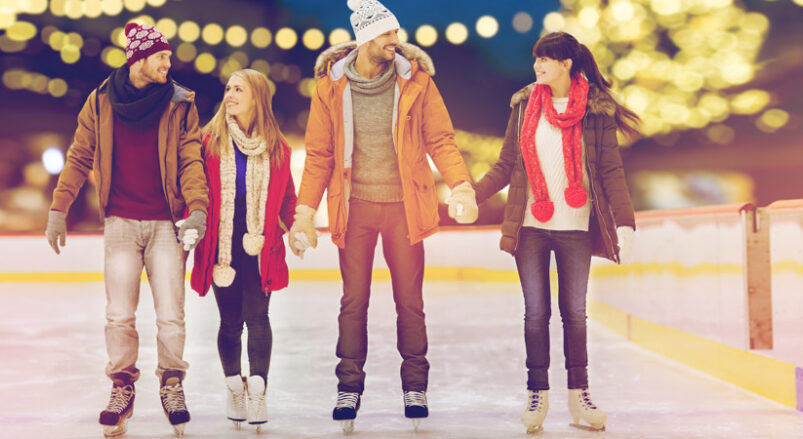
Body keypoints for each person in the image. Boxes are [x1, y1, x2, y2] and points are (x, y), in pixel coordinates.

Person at [288, 0, 478, 432]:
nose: (397, 41)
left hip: (404, 208)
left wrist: (461, 183)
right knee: (353, 302)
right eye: (388, 35)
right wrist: (304, 213)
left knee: (410, 303)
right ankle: (349, 386)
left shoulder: (416, 82)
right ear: (366, 38)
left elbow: (441, 139)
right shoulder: (329, 89)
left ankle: (415, 386)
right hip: (354, 210)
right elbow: (318, 156)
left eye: (397, 33)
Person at [44, 22, 207, 438]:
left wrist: (198, 207)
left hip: (166, 223)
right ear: (138, 58)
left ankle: (172, 384)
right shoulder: (100, 101)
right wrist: (59, 207)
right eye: (162, 57)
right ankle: (122, 388)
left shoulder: (180, 102)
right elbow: (80, 156)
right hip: (120, 221)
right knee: (119, 315)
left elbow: (191, 159)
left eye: (169, 57)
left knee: (171, 315)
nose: (169, 64)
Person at [472, 31, 640, 433]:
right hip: (530, 226)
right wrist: (471, 195)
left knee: (575, 315)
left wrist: (626, 222)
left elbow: (611, 171)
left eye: (545, 59)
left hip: (576, 227)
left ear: (566, 63)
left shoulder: (595, 111)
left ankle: (579, 395)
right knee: (535, 314)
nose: (537, 66)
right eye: (535, 59)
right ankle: (537, 394)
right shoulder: (524, 104)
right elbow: (505, 164)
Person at [188, 69, 297, 431]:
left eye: (239, 89)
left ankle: (259, 392)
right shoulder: (208, 141)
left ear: (257, 98)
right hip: (221, 248)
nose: (230, 94)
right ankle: (235, 386)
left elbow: (288, 201)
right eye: (228, 88)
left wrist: (297, 228)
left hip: (260, 248)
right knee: (231, 322)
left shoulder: (278, 147)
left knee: (259, 319)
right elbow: (194, 190)